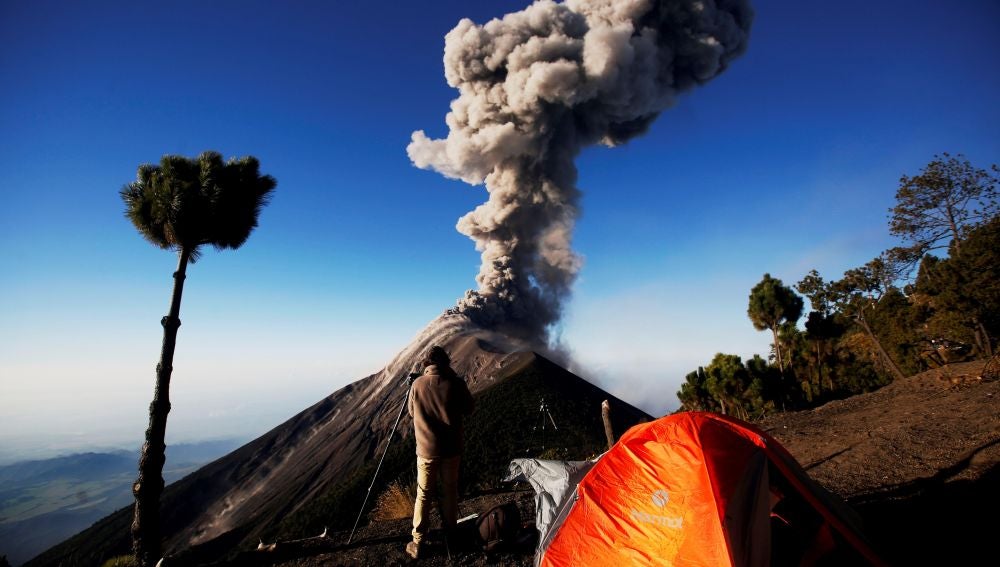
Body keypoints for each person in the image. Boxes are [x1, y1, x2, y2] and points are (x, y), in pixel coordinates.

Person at [406, 345, 475, 559]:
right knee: (450, 491)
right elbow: (469, 408)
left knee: (423, 493)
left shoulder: (417, 385)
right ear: (446, 363)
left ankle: (418, 542)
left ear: (427, 364)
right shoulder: (455, 383)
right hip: (451, 450)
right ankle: (451, 534)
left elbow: (411, 412)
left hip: (426, 451)